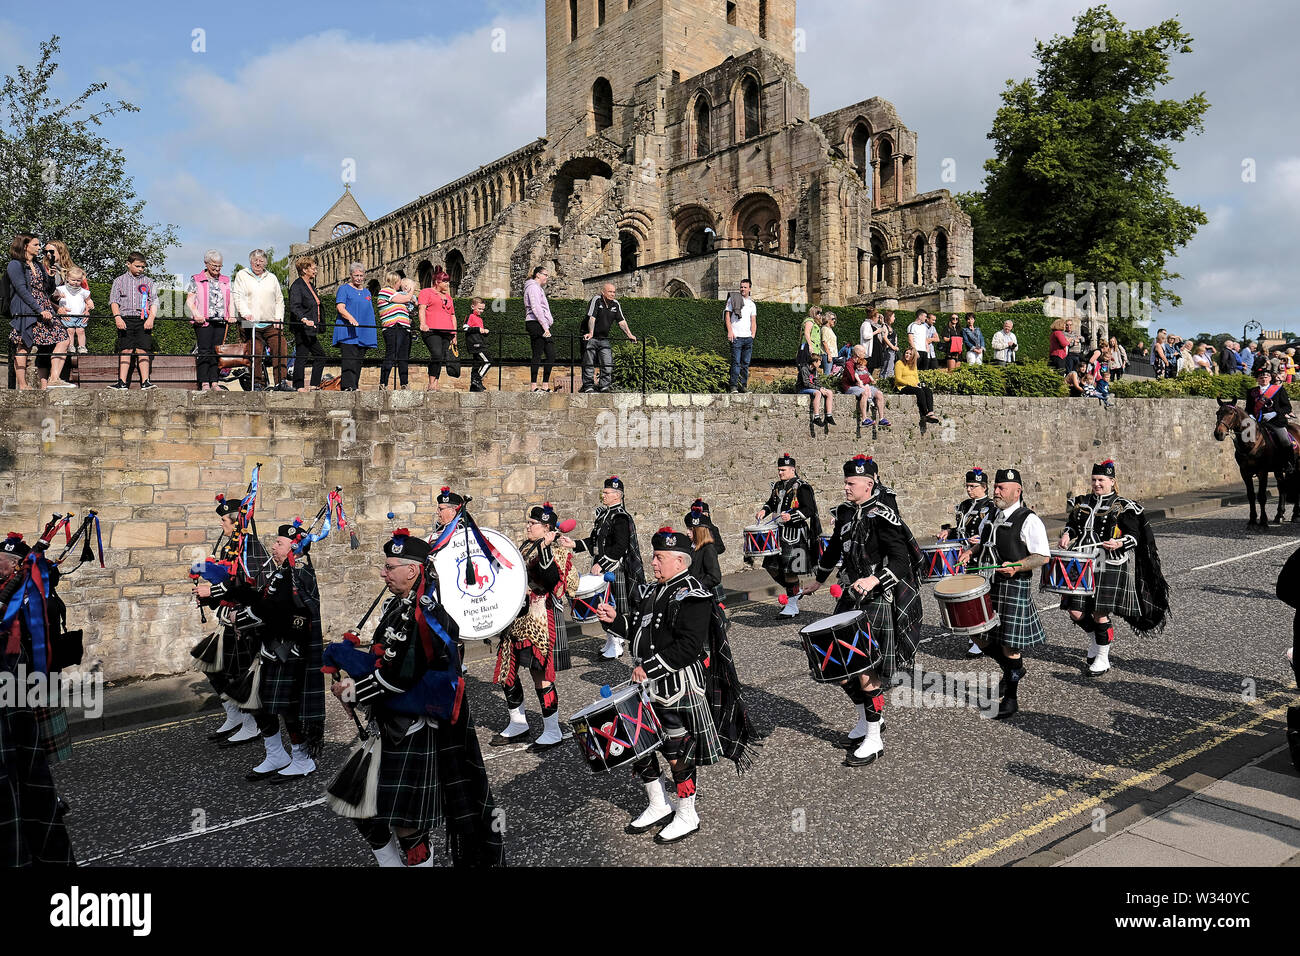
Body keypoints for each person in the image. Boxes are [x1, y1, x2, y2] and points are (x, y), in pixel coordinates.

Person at [326, 528, 503, 867]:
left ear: (412, 570)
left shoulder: (428, 615)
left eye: (390, 567)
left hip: (413, 729)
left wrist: (353, 690)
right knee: (359, 806)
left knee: (407, 824)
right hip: (390, 725)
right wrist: (348, 665)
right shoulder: (399, 606)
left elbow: (402, 676)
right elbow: (385, 658)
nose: (383, 572)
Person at [594, 528, 724, 844]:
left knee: (677, 753)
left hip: (677, 685)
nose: (653, 562)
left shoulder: (694, 594)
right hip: (648, 685)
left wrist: (648, 668)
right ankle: (657, 804)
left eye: (659, 557)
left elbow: (689, 646)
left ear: (680, 561)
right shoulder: (655, 590)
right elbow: (640, 630)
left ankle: (687, 812)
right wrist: (614, 620)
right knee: (639, 744)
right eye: (654, 556)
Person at [802, 454, 923, 766]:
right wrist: (817, 581)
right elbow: (832, 550)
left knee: (866, 670)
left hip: (877, 598)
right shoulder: (845, 514)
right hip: (850, 598)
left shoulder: (884, 516)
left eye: (850, 483)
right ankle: (866, 719)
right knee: (839, 668)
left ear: (869, 485)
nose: (845, 487)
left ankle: (874, 737)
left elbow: (900, 560)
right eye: (844, 482)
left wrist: (874, 579)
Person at [194, 522, 326, 781]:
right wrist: (218, 595)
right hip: (268, 649)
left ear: (294, 548)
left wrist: (239, 618)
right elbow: (260, 598)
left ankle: (302, 759)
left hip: (288, 652)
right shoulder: (281, 572)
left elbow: (288, 615)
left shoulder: (300, 574)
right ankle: (275, 753)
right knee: (257, 702)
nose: (273, 546)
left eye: (279, 543)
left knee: (289, 709)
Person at [0, 532, 75, 865]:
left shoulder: (34, 591)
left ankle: (47, 797)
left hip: (30, 679)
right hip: (16, 678)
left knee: (36, 752)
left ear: (15, 563)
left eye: (0, 559)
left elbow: (45, 620)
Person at [1057, 460, 1168, 676]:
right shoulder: (1081, 503)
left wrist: (1119, 542)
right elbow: (1073, 524)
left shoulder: (1124, 506)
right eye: (1094, 480)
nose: (1097, 484)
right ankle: (1095, 641)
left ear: (1112, 481)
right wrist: (1067, 534)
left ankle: (1103, 658)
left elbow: (1134, 537)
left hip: (1109, 562)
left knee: (1099, 613)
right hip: (1081, 561)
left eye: (1101, 480)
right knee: (1075, 611)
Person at [957, 468, 1050, 720]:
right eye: (996, 487)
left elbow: (1042, 556)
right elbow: (985, 541)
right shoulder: (991, 515)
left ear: (1017, 491)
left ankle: (1011, 698)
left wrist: (1017, 566)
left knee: (1009, 645)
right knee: (977, 635)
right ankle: (1014, 670)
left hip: (1012, 586)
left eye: (1001, 488)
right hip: (985, 583)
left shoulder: (1028, 519)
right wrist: (971, 552)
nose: (996, 492)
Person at [490, 503, 578, 749]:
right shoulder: (525, 545)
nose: (528, 526)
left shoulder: (557, 548)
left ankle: (552, 730)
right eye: (528, 522)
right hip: (515, 619)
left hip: (538, 619)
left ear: (547, 527)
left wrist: (546, 548)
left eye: (533, 524)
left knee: (540, 675)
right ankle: (518, 723)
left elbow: (551, 581)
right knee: (507, 671)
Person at [192, 492, 268, 747]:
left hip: (244, 622)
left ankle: (251, 725)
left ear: (237, 522)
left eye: (224, 520)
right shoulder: (230, 547)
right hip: (227, 619)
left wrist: (211, 591)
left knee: (238, 674)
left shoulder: (251, 548)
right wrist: (207, 594)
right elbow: (226, 579)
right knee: (210, 666)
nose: (221, 525)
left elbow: (249, 585)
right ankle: (234, 716)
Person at [558, 476, 646, 659]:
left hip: (614, 570)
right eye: (604, 492)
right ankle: (610, 641)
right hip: (604, 569)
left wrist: (602, 563)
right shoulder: (604, 515)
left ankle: (617, 645)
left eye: (606, 492)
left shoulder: (620, 517)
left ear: (617, 495)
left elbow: (620, 547)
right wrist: (573, 544)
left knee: (613, 607)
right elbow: (595, 541)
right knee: (603, 606)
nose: (603, 495)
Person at [938, 467, 998, 657]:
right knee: (963, 595)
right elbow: (961, 529)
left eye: (973, 486)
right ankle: (974, 634)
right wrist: (949, 532)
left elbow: (992, 531)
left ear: (984, 487)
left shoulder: (991, 506)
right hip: (961, 556)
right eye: (967, 486)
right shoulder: (964, 505)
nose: (969, 489)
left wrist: (980, 540)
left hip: (979, 556)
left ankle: (980, 637)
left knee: (975, 597)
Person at [753, 453, 821, 618]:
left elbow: (809, 509)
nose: (780, 473)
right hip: (777, 533)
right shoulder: (777, 486)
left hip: (794, 535)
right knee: (771, 567)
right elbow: (771, 502)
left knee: (790, 571)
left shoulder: (802, 486)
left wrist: (792, 516)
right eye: (779, 469)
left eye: (783, 470)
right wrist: (764, 510)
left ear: (792, 469)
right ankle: (795, 592)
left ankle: (792, 606)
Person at [232, 249, 287, 390]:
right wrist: (245, 313)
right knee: (254, 351)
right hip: (249, 322)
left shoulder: (272, 277)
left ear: (265, 263)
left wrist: (278, 318)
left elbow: (279, 299)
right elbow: (238, 296)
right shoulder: (242, 275)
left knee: (280, 347)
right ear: (250, 261)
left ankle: (281, 382)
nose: (258, 263)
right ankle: (257, 383)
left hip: (270, 322)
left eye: (261, 260)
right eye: (255, 260)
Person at [186, 250, 234, 391]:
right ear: (206, 263)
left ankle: (215, 381)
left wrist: (231, 315)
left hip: (220, 321)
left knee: (217, 351)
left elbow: (231, 301)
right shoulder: (196, 278)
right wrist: (196, 314)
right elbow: (189, 301)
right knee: (204, 351)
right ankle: (204, 382)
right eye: (214, 266)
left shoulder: (226, 280)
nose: (217, 269)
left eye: (220, 266)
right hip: (203, 321)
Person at [108, 252, 156, 390]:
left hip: (143, 319)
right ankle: (122, 382)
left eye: (143, 267)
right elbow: (114, 301)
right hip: (125, 319)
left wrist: (151, 318)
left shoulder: (149, 282)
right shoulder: (119, 281)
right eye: (137, 266)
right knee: (125, 350)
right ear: (128, 264)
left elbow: (153, 302)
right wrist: (117, 317)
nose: (141, 269)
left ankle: (145, 382)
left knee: (143, 349)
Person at [582, 282, 637, 393]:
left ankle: (604, 386)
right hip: (590, 337)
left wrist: (629, 335)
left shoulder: (615, 304)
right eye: (610, 292)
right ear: (603, 292)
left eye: (614, 292)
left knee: (607, 363)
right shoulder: (596, 300)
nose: (613, 294)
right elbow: (592, 318)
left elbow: (621, 322)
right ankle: (588, 386)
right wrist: (591, 332)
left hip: (604, 338)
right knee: (589, 363)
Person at [1246, 358, 1297, 472]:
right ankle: (1247, 464)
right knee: (1243, 439)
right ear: (1257, 379)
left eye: (1266, 377)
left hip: (1275, 421)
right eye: (1261, 377)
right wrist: (1251, 416)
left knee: (1284, 440)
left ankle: (1289, 464)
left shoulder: (1278, 390)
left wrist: (1275, 413)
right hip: (1257, 422)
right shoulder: (1251, 392)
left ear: (1270, 378)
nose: (1263, 379)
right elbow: (1248, 408)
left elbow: (1287, 407)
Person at [334, 262, 377, 391]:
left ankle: (355, 385)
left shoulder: (367, 292)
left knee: (358, 360)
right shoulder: (344, 289)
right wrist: (351, 318)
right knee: (349, 360)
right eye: (356, 275)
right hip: (348, 330)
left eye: (361, 275)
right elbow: (340, 307)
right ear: (351, 275)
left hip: (363, 331)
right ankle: (348, 386)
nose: (359, 278)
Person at [288, 257, 326, 390]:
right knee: (303, 356)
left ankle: (313, 385)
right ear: (304, 270)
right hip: (302, 328)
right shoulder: (297, 286)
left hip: (311, 328)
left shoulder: (310, 285)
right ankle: (299, 386)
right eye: (313, 268)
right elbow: (295, 306)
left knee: (319, 356)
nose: (315, 271)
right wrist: (304, 319)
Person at [417, 269, 457, 390]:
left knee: (441, 356)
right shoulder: (426, 292)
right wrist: (423, 323)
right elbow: (422, 308)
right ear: (437, 282)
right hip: (431, 330)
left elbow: (452, 315)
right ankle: (431, 382)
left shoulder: (449, 297)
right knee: (436, 353)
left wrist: (455, 334)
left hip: (447, 331)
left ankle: (435, 383)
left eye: (448, 282)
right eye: (445, 282)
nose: (447, 284)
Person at [377, 272, 416, 390]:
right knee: (391, 354)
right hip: (393, 327)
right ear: (394, 281)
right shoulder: (385, 291)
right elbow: (407, 298)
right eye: (399, 281)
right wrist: (413, 287)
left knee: (404, 357)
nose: (401, 284)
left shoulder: (398, 294)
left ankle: (404, 383)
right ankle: (383, 383)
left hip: (404, 328)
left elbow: (412, 303)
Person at [523, 266, 555, 392]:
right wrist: (545, 326)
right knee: (537, 353)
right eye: (545, 274)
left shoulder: (538, 289)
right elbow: (536, 308)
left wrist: (548, 323)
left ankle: (545, 385)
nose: (547, 277)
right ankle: (533, 385)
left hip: (541, 324)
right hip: (535, 323)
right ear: (538, 275)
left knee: (551, 354)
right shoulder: (532, 287)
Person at [841, 344, 889, 427]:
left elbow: (868, 377)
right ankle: (864, 419)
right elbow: (853, 379)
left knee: (879, 394)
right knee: (864, 393)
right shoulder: (849, 363)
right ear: (857, 353)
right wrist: (864, 378)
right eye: (863, 352)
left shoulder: (862, 362)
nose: (865, 353)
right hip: (850, 387)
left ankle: (881, 419)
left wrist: (862, 379)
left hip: (863, 385)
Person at [724, 278, 757, 393]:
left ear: (749, 289)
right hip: (736, 336)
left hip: (748, 338)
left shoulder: (752, 304)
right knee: (736, 363)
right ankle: (733, 386)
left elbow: (753, 320)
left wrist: (753, 334)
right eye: (741, 287)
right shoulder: (733, 299)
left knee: (745, 364)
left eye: (745, 287)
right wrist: (730, 331)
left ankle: (743, 386)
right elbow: (727, 316)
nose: (742, 289)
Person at [893, 347, 940, 425]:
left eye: (910, 354)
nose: (907, 355)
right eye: (906, 353)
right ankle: (925, 413)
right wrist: (912, 384)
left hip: (914, 386)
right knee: (919, 391)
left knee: (927, 390)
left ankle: (931, 412)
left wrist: (918, 384)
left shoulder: (913, 365)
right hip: (902, 387)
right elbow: (898, 379)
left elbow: (916, 377)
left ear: (913, 356)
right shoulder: (899, 363)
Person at [55, 266, 92, 356]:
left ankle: (82, 346)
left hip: (80, 315)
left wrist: (90, 305)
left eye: (78, 280)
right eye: (73, 280)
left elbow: (88, 300)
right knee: (70, 330)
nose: (75, 282)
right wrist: (59, 296)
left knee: (81, 331)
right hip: (68, 315)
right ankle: (71, 346)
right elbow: (54, 298)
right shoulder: (61, 289)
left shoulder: (83, 291)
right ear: (67, 278)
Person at [796, 344, 836, 427]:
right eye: (819, 361)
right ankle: (816, 417)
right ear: (814, 362)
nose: (820, 363)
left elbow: (816, 382)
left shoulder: (815, 370)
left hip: (812, 388)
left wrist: (821, 388)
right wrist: (819, 389)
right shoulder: (804, 369)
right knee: (818, 393)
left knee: (829, 392)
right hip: (802, 388)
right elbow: (806, 383)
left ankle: (829, 415)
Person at [465, 296, 492, 392]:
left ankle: (474, 386)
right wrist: (478, 329)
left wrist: (485, 332)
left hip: (480, 343)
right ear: (473, 307)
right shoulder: (470, 316)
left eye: (483, 309)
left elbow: (480, 331)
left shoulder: (480, 319)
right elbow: (465, 328)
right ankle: (477, 379)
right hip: (475, 344)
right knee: (488, 361)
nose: (481, 311)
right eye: (479, 309)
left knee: (476, 364)